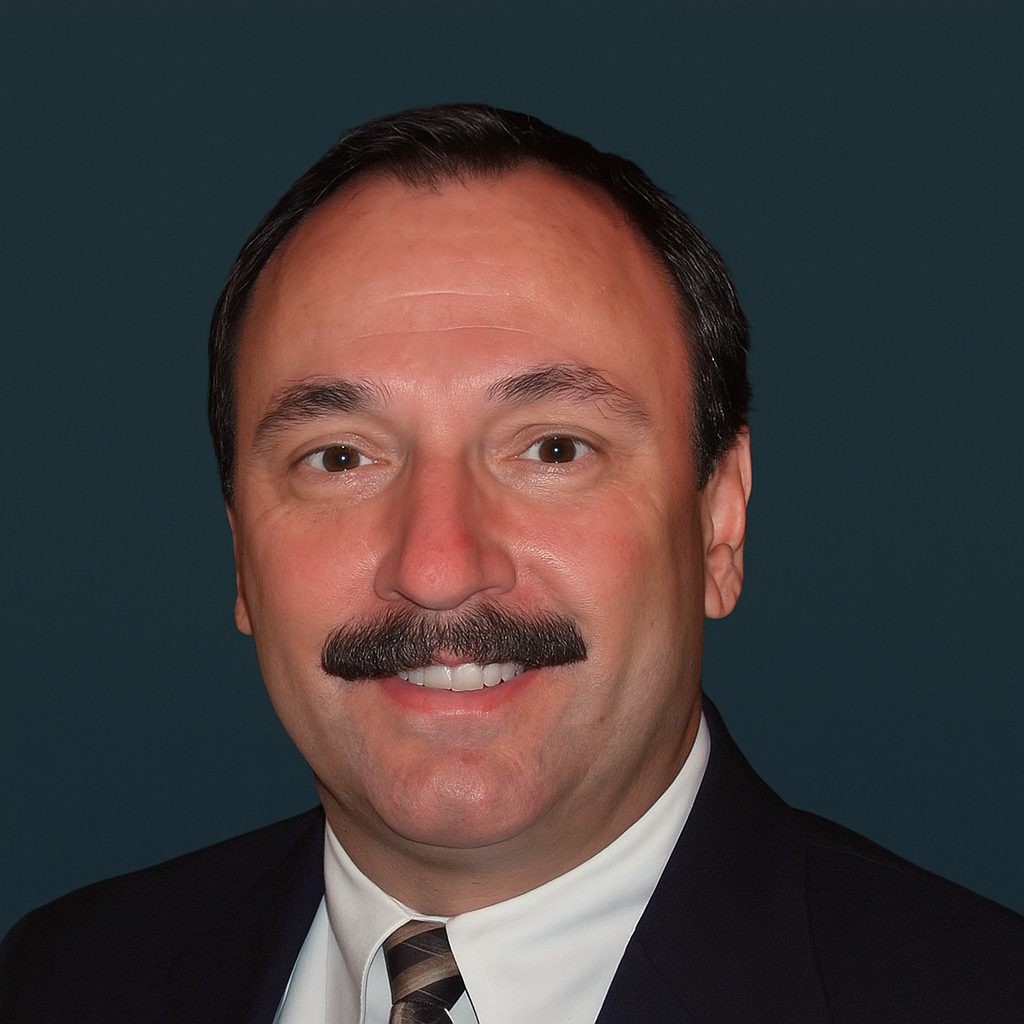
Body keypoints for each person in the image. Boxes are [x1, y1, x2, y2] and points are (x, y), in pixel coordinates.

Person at [1, 103, 1021, 1023]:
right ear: (239, 550)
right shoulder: (61, 981)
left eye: (552, 449)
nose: (439, 567)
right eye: (341, 457)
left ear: (718, 520)